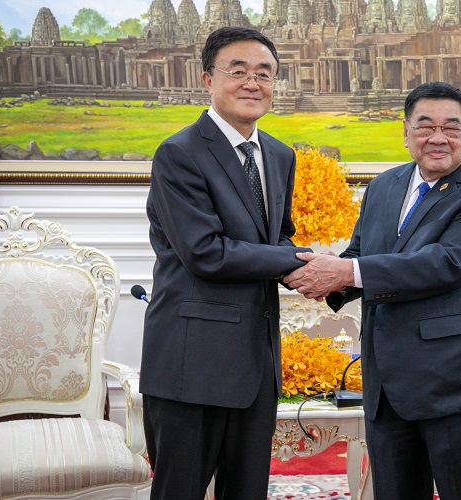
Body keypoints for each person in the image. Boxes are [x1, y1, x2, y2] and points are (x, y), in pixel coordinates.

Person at [285, 81, 461, 499]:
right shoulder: (384, 185)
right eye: (425, 126)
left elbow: (445, 263)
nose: (438, 138)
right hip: (387, 383)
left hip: (457, 379)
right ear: (406, 132)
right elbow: (361, 254)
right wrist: (312, 274)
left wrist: (344, 271)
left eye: (451, 127)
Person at [139, 27, 311, 500]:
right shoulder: (179, 153)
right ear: (207, 79)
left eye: (264, 74)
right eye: (238, 71)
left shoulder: (279, 155)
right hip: (191, 364)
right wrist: (299, 260)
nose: (252, 83)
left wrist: (319, 271)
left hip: (256, 363)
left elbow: (277, 237)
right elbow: (205, 252)